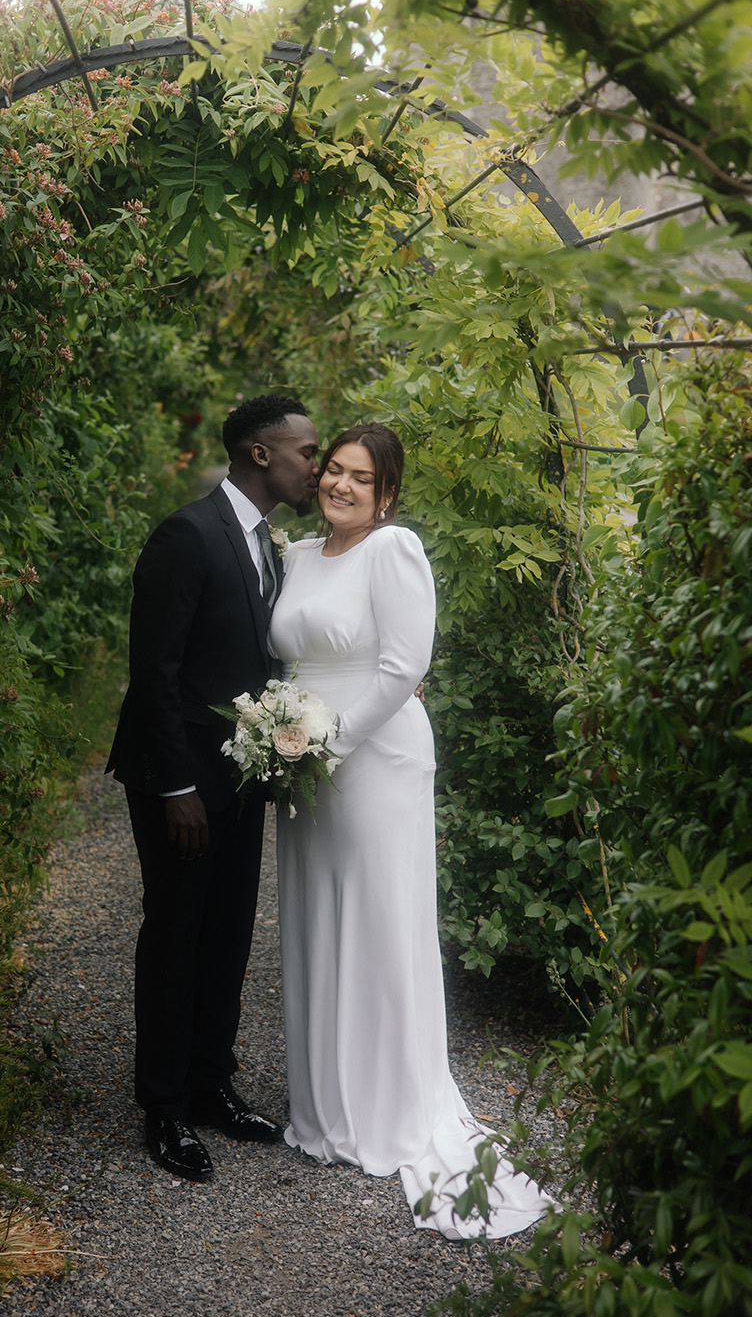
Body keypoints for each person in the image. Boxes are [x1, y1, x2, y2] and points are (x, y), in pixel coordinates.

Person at [269, 423, 551, 1239]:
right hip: (300, 756)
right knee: (319, 913)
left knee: (381, 920)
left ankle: (389, 1105)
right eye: (333, 470)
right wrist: (279, 735)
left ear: (387, 493)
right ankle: (324, 1103)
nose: (342, 485)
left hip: (372, 756)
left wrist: (328, 744)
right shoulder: (295, 559)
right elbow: (290, 660)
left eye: (362, 477)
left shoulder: (394, 552)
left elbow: (404, 668)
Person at [107, 395, 320, 1183]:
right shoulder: (186, 536)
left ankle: (210, 1085)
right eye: (307, 450)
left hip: (243, 773)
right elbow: (154, 674)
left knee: (228, 929)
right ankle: (161, 1106)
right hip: (183, 781)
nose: (317, 464)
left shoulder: (272, 546)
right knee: (175, 931)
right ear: (261, 454)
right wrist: (174, 788)